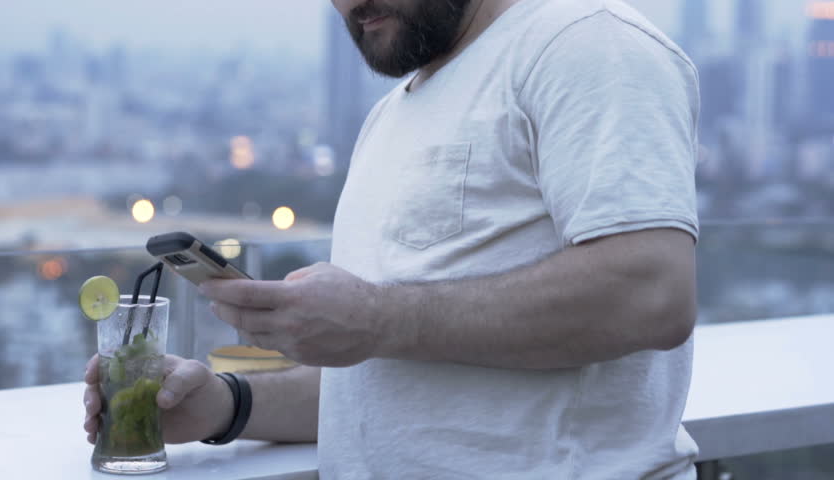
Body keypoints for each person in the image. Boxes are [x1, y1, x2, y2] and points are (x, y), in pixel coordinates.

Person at [84, 0, 701, 477]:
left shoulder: (584, 42)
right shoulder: (393, 113)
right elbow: (382, 375)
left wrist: (379, 317)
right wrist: (224, 405)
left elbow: (651, 293)